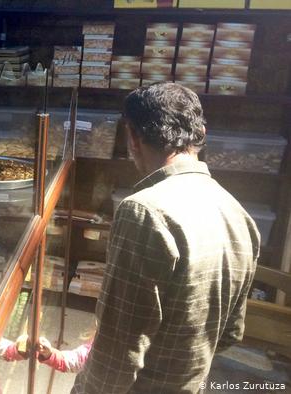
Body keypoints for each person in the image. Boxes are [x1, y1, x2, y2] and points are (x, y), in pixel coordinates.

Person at [72, 82, 260, 393]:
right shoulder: (238, 213)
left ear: (132, 137)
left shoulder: (143, 210)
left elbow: (117, 350)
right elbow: (230, 333)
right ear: (202, 133)